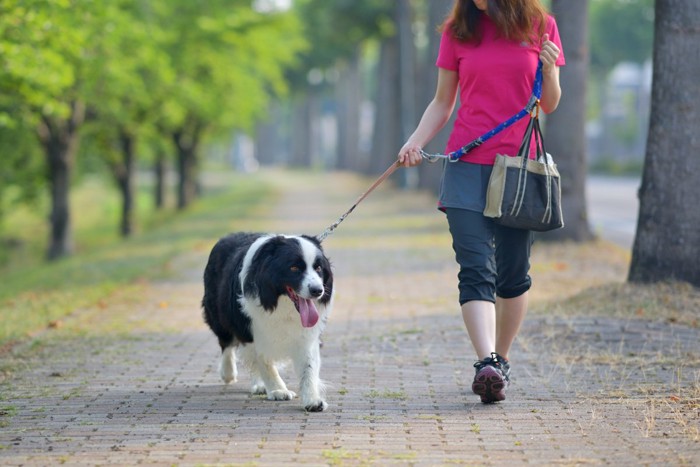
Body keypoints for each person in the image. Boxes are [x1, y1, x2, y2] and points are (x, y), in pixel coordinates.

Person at [398, 0, 565, 403]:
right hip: (465, 164)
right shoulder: (457, 31)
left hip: (517, 168)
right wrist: (415, 141)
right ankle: (486, 362)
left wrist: (549, 70)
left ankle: (500, 362)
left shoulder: (540, 25)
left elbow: (549, 103)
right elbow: (443, 102)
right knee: (475, 267)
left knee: (513, 273)